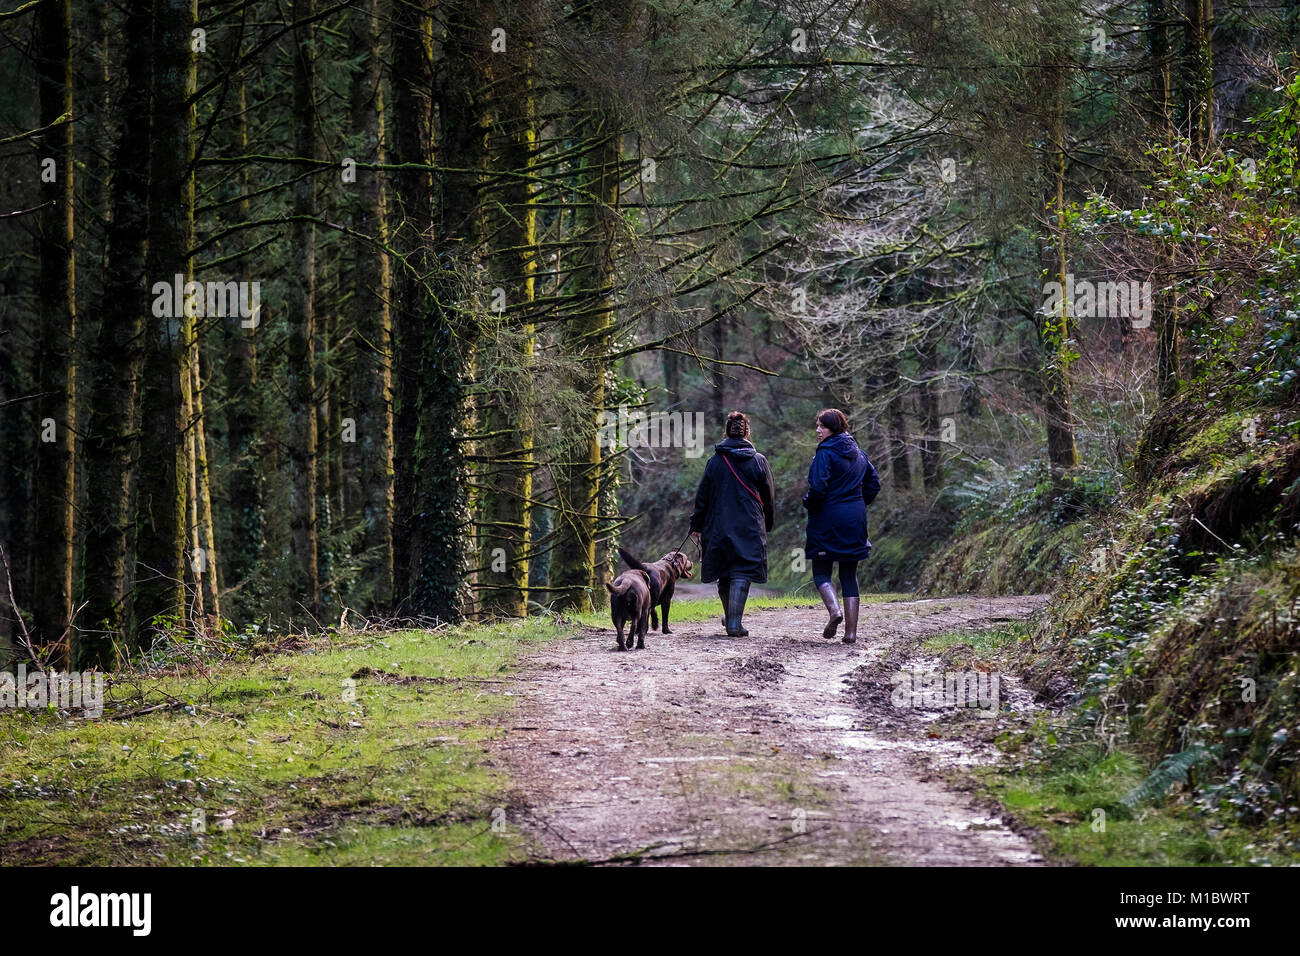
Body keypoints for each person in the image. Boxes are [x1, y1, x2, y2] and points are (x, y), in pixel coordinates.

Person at [689, 411, 776, 637]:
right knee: (742, 570)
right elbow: (768, 497)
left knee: (724, 571)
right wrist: (769, 522)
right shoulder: (759, 461)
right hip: (749, 525)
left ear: (726, 431)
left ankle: (731, 619)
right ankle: (734, 623)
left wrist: (696, 525)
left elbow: (703, 497)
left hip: (717, 526)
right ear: (747, 432)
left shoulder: (715, 461)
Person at [802, 408, 880, 644]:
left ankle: (835, 611)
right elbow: (874, 483)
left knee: (821, 570)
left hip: (827, 518)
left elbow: (818, 487)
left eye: (822, 426)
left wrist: (809, 503)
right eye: (817, 425)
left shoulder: (825, 453)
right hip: (855, 519)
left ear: (833, 428)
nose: (817, 430)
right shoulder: (859, 453)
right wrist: (858, 503)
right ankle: (851, 633)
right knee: (849, 573)